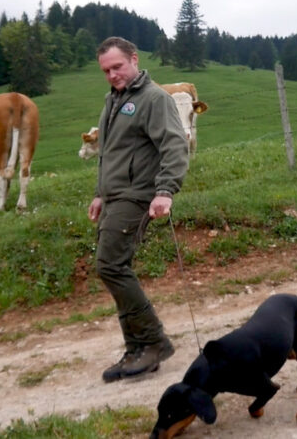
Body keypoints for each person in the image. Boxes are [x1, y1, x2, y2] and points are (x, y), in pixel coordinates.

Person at [88, 36, 190, 383]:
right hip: (115, 197)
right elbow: (110, 154)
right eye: (106, 70)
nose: (112, 75)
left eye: (117, 66)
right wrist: (100, 194)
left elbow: (175, 145)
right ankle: (138, 349)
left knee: (110, 265)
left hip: (137, 196)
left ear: (134, 59)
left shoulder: (153, 98)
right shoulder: (113, 101)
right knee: (112, 267)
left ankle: (151, 343)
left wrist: (165, 191)